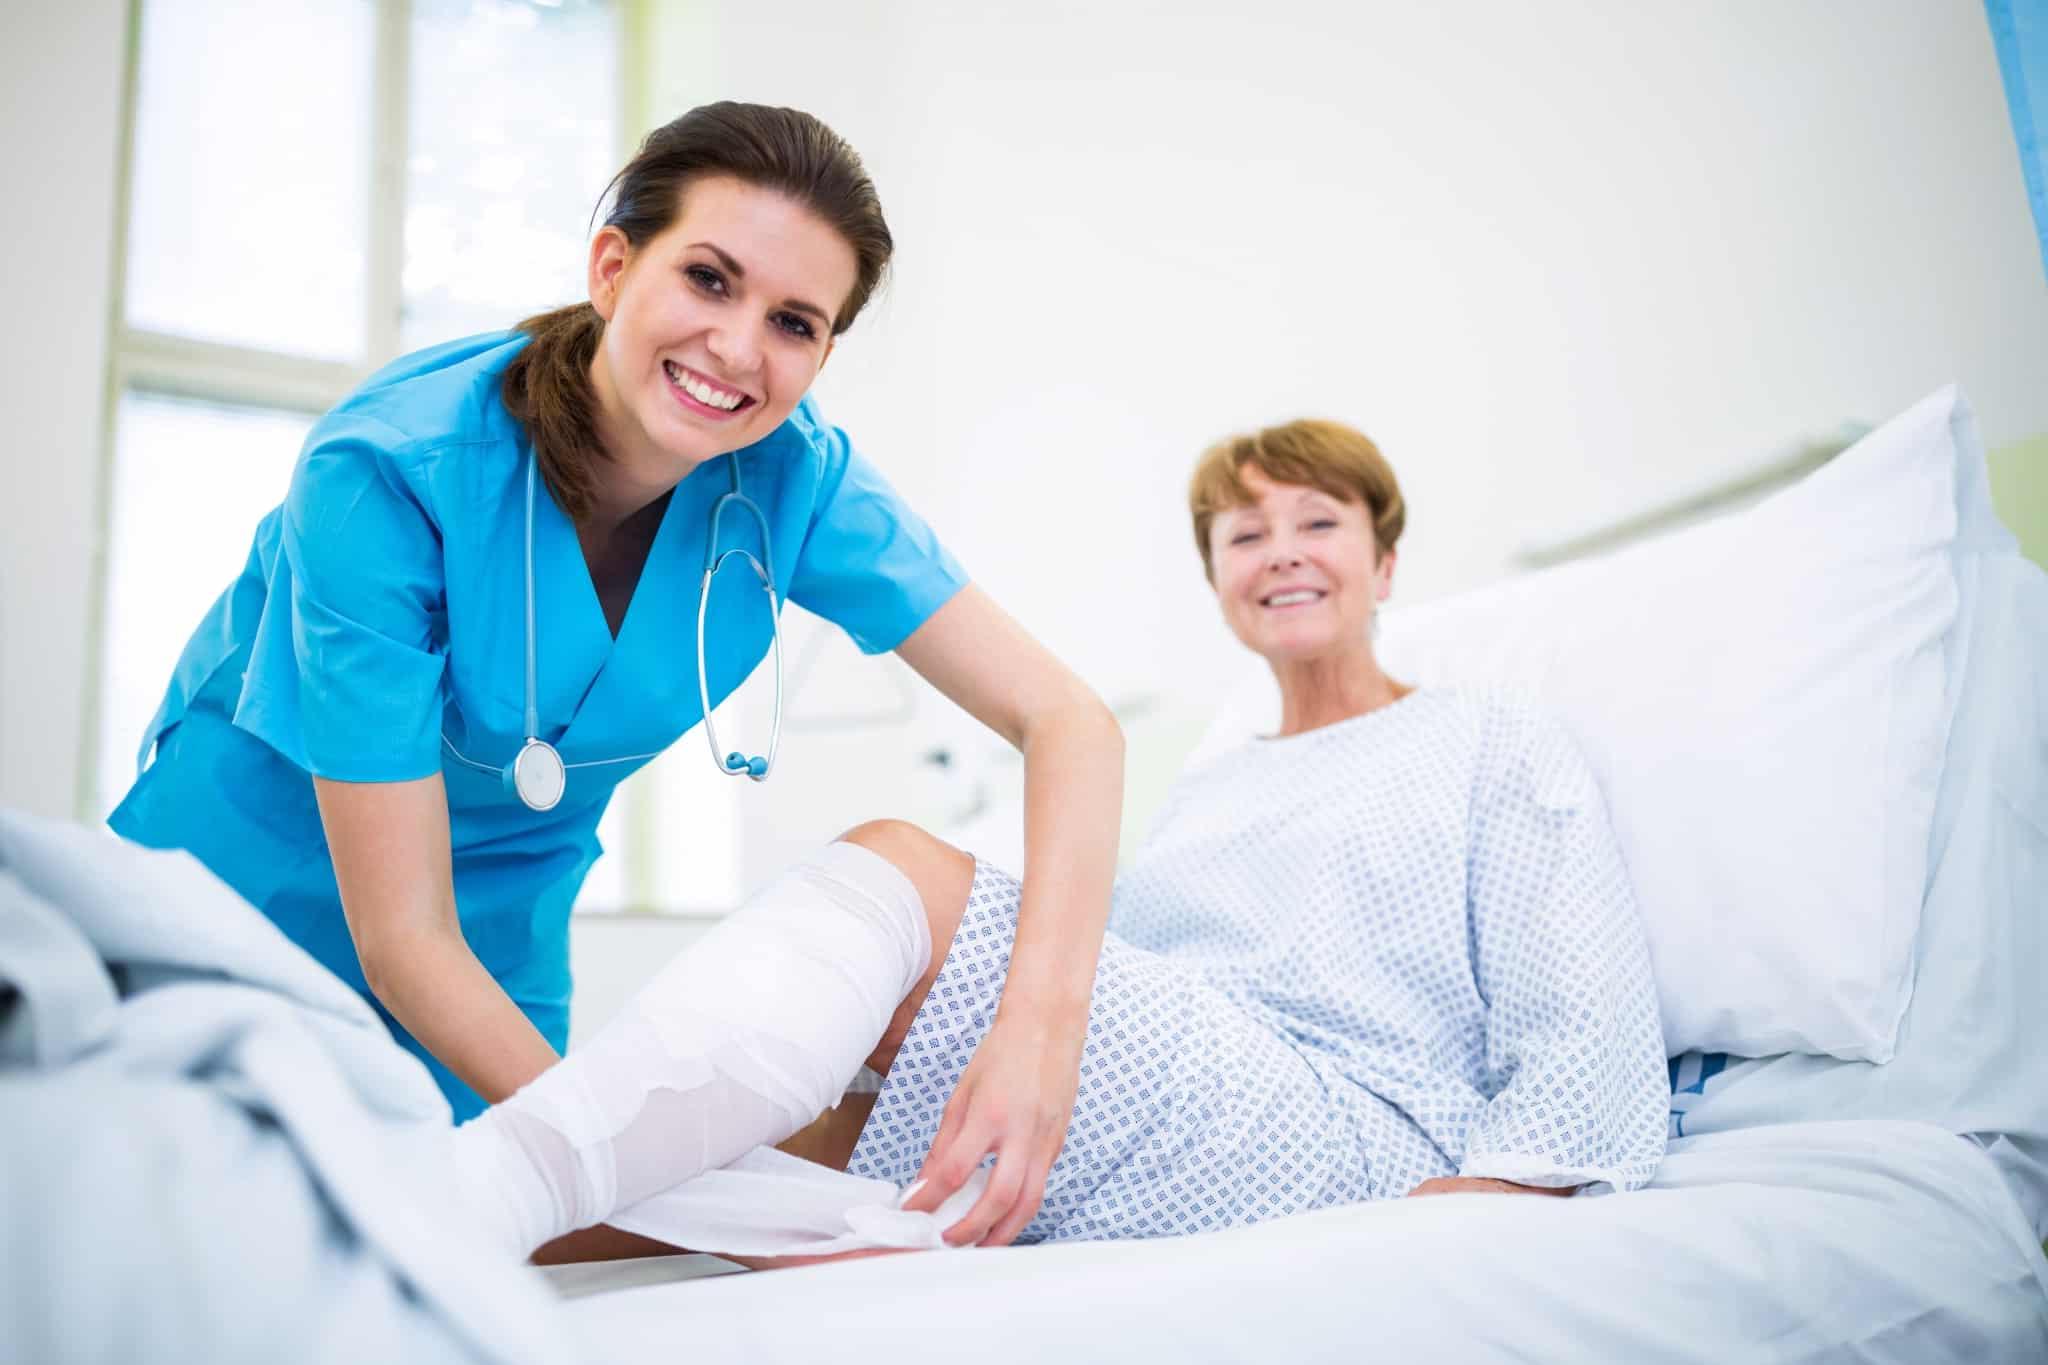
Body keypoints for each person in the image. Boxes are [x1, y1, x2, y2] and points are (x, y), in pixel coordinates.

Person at [109, 102, 1121, 1244]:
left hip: (496, 931)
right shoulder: (389, 469)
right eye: (708, 279)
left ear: (824, 353)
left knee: (456, 1263)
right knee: (174, 1243)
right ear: (611, 266)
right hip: (249, 880)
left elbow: (1069, 722)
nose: (738, 349)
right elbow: (400, 939)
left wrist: (1038, 1028)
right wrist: (671, 1198)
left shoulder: (794, 483)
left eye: (794, 320)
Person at [450, 417, 1670, 1256]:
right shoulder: (1213, 785)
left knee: (906, 872)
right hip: (1184, 1090)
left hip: (1352, 1123)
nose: (1281, 553)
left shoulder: (1488, 742)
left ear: (1384, 560)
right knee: (750, 1147)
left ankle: (474, 1188)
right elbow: (1140, 971)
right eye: (1244, 536)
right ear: (1216, 581)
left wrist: (1508, 1186)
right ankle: (409, 1230)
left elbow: (1581, 992)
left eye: (1319, 523)